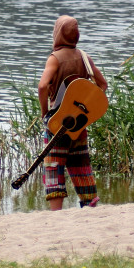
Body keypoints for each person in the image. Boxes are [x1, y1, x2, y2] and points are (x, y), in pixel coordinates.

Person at [36, 15, 108, 210]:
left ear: (58, 34)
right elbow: (103, 85)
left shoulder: (55, 58)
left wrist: (45, 113)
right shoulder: (84, 58)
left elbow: (43, 86)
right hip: (79, 124)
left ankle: (56, 213)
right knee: (81, 166)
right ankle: (90, 206)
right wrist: (85, 108)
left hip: (57, 124)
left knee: (53, 167)